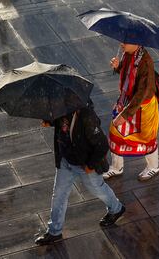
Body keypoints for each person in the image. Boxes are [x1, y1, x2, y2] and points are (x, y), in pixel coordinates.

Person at [34, 101, 125, 245]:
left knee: (97, 189)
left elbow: (102, 145)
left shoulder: (86, 116)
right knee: (59, 194)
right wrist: (50, 122)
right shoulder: (61, 110)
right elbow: (63, 125)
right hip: (65, 160)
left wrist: (91, 165)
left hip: (85, 164)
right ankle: (54, 231)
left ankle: (116, 208)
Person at [103, 43, 159, 181]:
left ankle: (153, 167)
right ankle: (117, 167)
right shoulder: (129, 54)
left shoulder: (145, 62)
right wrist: (118, 67)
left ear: (136, 42)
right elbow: (127, 74)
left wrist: (125, 115)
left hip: (142, 107)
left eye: (126, 41)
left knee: (147, 138)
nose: (121, 43)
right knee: (115, 133)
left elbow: (141, 93)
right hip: (127, 101)